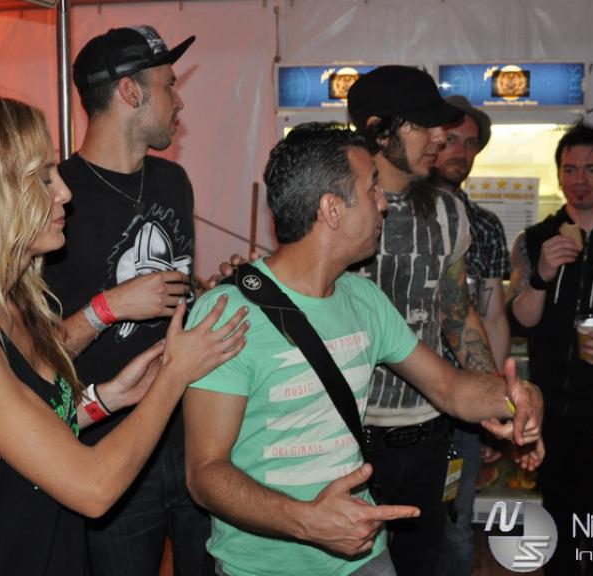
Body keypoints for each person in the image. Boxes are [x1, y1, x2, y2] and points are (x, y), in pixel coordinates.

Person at [183, 122, 542, 576]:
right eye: (371, 187)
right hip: (262, 566)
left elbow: (449, 387)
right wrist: (307, 521)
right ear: (332, 210)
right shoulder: (228, 312)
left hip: (364, 555)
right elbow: (205, 472)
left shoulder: (363, 298)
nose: (383, 203)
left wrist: (517, 395)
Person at [0, 96, 249, 575]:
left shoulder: (19, 302)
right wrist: (173, 375)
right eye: (44, 177)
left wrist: (108, 398)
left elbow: (35, 432)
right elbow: (93, 488)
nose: (64, 192)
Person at [44, 25, 210, 576]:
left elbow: (177, 290)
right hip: (107, 449)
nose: (179, 100)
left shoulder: (174, 182)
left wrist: (211, 290)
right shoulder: (55, 200)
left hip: (190, 435)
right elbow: (32, 354)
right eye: (169, 84)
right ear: (130, 92)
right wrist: (111, 304)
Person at [345, 65, 500, 575]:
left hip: (430, 434)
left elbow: (458, 314)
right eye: (424, 124)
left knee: (423, 564)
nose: (440, 137)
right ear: (378, 131)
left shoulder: (449, 212)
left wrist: (490, 395)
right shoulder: (336, 210)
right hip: (347, 436)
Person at [507, 122, 593, 575]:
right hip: (552, 414)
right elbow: (520, 320)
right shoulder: (534, 239)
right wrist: (541, 275)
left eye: (592, 169)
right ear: (559, 174)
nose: (579, 180)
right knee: (558, 531)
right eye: (569, 169)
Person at [433, 95, 511, 576]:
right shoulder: (391, 216)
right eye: (451, 139)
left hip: (462, 412)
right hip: (396, 405)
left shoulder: (485, 225)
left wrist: (492, 404)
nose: (461, 151)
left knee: (455, 526)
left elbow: (494, 318)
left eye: (470, 143)